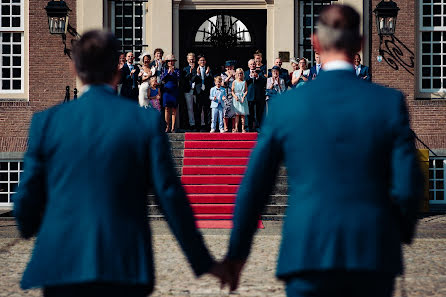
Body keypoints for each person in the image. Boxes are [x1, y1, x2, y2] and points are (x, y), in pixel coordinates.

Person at [222, 4, 423, 297]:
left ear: (315, 43)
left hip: (307, 253)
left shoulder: (286, 106)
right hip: (372, 255)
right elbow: (409, 186)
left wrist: (237, 255)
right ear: (360, 45)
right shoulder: (388, 103)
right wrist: (396, 233)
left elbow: (254, 187)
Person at [13, 30, 226, 297]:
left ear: (74, 68)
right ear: (117, 70)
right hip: (124, 265)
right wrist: (203, 261)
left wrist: (38, 227)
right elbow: (170, 195)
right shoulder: (144, 122)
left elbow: (26, 203)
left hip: (62, 264)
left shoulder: (46, 123)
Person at [161, 54, 181, 133]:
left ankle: (173, 127)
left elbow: (178, 78)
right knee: (166, 108)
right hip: (166, 91)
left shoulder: (177, 70)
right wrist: (167, 73)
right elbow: (162, 79)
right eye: (169, 61)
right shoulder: (164, 69)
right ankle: (167, 126)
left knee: (174, 109)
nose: (170, 62)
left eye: (172, 61)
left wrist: (173, 73)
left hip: (174, 90)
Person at [245, 59, 266, 132]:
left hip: (258, 95)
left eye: (253, 64)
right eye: (251, 64)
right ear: (248, 65)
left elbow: (264, 81)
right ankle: (249, 127)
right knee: (249, 113)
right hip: (249, 95)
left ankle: (258, 127)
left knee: (259, 113)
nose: (252, 65)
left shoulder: (260, 72)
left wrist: (257, 76)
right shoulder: (246, 73)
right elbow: (244, 81)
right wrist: (250, 77)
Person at [194, 55, 214, 131]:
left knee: (207, 110)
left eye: (203, 60)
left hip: (206, 92)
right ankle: (198, 126)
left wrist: (207, 74)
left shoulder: (209, 69)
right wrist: (198, 74)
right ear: (198, 62)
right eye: (201, 60)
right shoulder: (195, 69)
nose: (202, 62)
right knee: (198, 110)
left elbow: (212, 79)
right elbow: (192, 79)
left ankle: (207, 126)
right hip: (199, 92)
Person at [181, 52, 198, 130]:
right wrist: (190, 72)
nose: (191, 61)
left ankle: (200, 123)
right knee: (190, 108)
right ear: (187, 60)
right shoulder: (185, 69)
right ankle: (192, 124)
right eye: (190, 59)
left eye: (193, 59)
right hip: (188, 90)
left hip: (197, 90)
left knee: (198, 107)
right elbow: (184, 79)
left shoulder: (198, 68)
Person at [221, 60, 236, 132]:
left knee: (234, 111)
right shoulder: (223, 74)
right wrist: (230, 76)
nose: (229, 68)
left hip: (234, 94)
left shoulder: (236, 73)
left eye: (231, 66)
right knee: (225, 111)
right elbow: (223, 84)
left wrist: (234, 75)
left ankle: (234, 127)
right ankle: (225, 127)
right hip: (226, 94)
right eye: (228, 67)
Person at [232, 68, 249, 133]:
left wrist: (244, 96)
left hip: (242, 99)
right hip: (236, 99)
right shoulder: (234, 82)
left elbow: (246, 90)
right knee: (237, 114)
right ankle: (236, 128)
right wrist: (235, 96)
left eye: (241, 73)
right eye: (238, 73)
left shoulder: (244, 82)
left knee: (242, 114)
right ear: (236, 74)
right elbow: (232, 91)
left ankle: (243, 128)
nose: (240, 75)